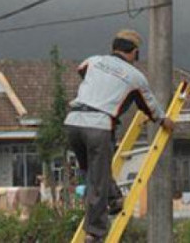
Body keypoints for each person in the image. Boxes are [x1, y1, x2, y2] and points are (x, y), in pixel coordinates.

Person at [64, 29, 173, 242]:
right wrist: (164, 121)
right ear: (134, 52)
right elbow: (149, 106)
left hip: (73, 123)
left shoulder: (93, 61)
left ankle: (114, 199)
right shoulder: (135, 76)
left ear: (113, 48)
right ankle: (95, 234)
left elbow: (81, 71)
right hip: (99, 127)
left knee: (92, 172)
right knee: (97, 180)